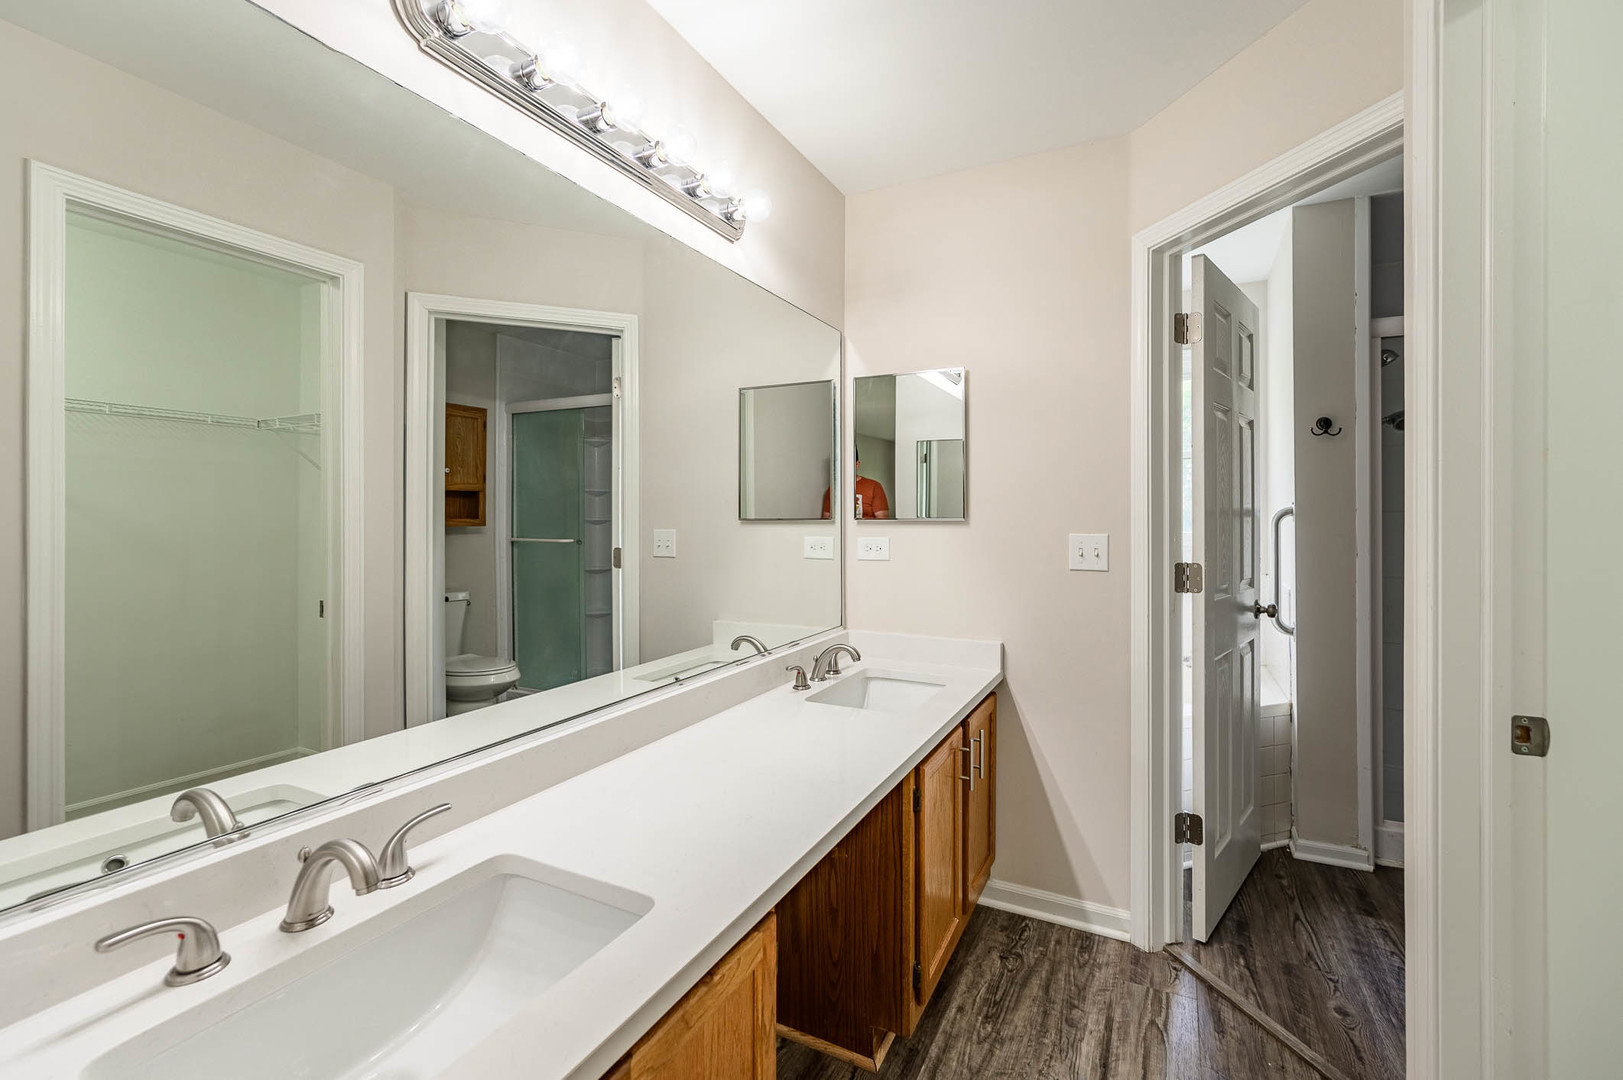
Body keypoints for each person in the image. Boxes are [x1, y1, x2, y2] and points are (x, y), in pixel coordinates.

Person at [823, 456, 889, 519]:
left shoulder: (874, 486)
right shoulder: (833, 489)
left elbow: (882, 522)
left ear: (857, 464)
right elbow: (827, 520)